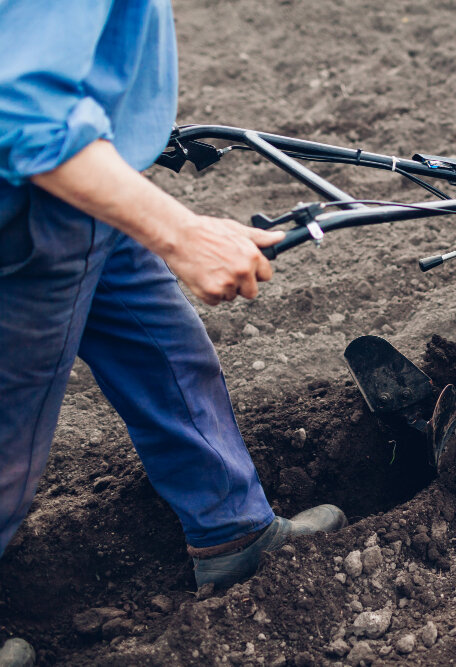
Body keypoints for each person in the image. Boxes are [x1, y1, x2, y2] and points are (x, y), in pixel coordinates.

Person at [0, 0, 346, 601]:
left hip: (86, 201)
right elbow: (25, 111)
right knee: (9, 449)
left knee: (167, 356)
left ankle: (234, 536)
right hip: (31, 215)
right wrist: (180, 232)